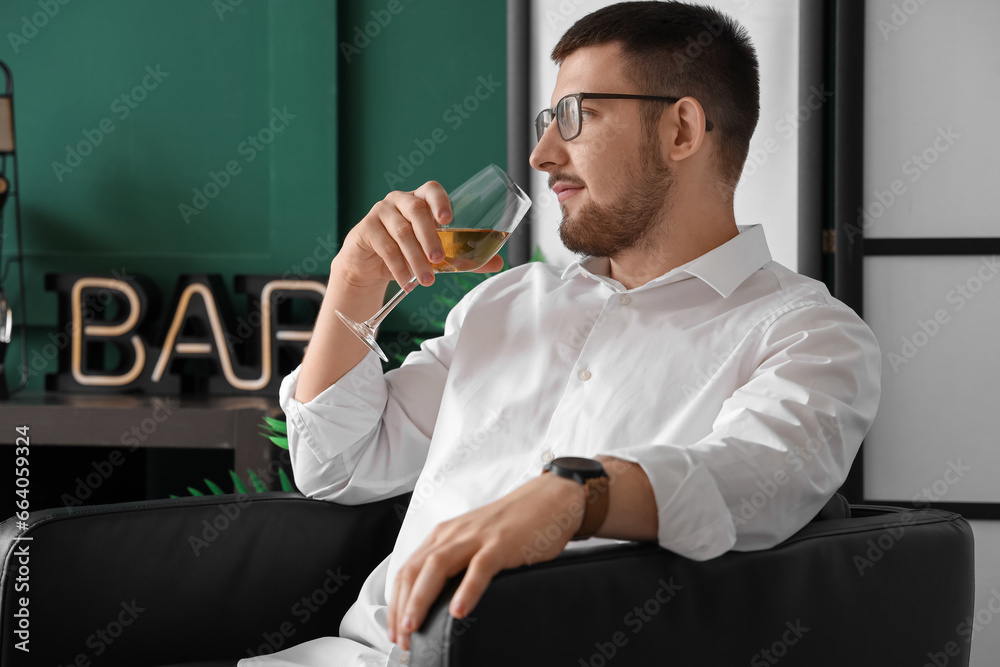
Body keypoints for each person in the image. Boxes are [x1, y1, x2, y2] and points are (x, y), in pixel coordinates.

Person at [240, 2, 881, 665]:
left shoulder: (809, 334)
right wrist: (352, 281)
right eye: (548, 121)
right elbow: (336, 464)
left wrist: (577, 492)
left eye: (577, 116)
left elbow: (752, 480)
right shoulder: (508, 301)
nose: (542, 155)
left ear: (682, 129)